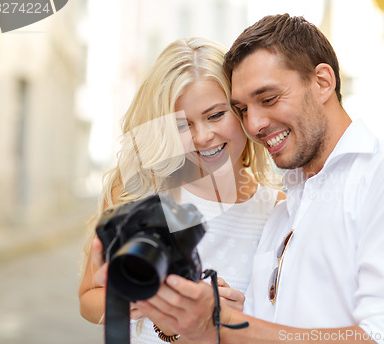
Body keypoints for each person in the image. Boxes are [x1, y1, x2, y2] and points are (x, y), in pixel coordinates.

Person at [90, 14, 384, 344]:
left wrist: (223, 322)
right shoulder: (287, 210)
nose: (254, 124)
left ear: (322, 81)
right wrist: (206, 316)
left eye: (268, 98)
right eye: (243, 109)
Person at [78, 37, 285, 344]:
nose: (203, 136)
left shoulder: (277, 209)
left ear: (241, 110)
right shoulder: (141, 192)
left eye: (215, 115)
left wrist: (233, 318)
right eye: (181, 125)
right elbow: (89, 298)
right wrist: (150, 298)